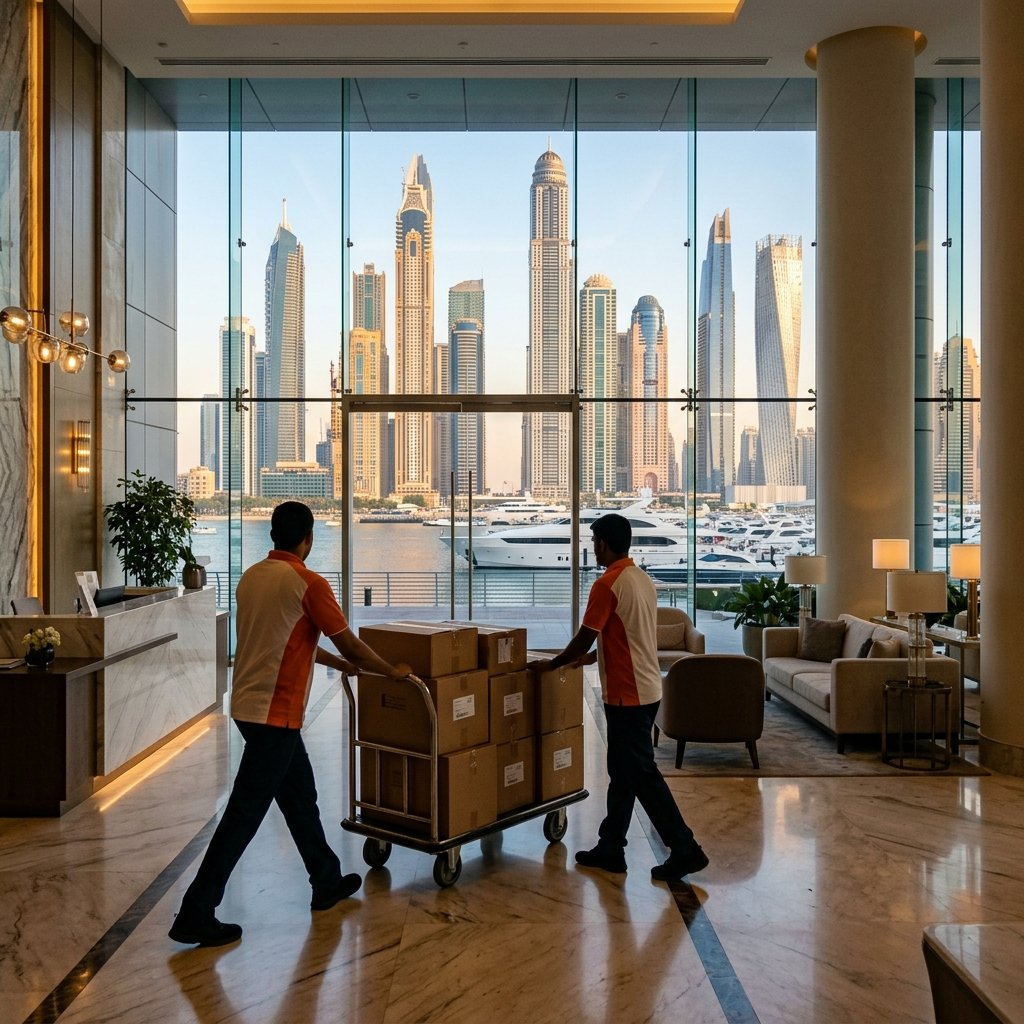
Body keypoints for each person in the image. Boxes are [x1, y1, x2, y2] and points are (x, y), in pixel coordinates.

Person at [169, 501, 413, 947]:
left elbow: (289, 638)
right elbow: (350, 643)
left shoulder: (252, 578)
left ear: (274, 536)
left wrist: (337, 662)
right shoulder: (309, 583)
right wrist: (388, 671)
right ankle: (196, 910)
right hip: (275, 714)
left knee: (300, 795)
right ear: (309, 538)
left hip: (246, 706)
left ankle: (325, 880)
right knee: (245, 813)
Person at [531, 512, 708, 882]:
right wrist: (591, 659)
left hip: (628, 695)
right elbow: (628, 634)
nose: (592, 548)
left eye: (594, 541)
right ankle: (611, 846)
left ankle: (685, 847)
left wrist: (555, 663)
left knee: (640, 773)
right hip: (648, 689)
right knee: (623, 772)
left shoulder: (607, 584)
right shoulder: (641, 579)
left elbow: (585, 635)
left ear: (605, 544)